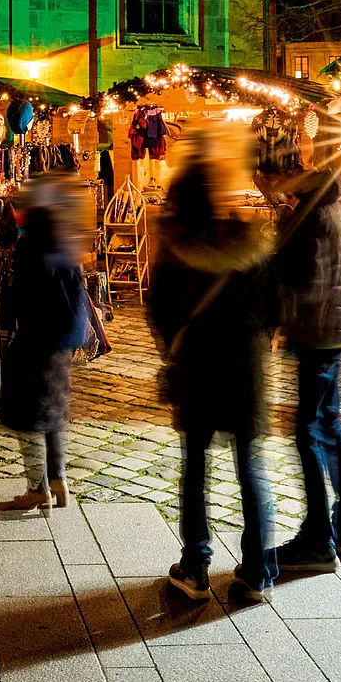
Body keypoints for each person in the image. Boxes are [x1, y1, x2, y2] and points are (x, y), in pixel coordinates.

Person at [144, 124, 277, 602]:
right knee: (250, 467)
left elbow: (157, 310)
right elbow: (273, 311)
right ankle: (257, 570)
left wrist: (172, 353)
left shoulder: (176, 248)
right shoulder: (251, 241)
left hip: (197, 370)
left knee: (196, 467)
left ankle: (196, 567)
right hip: (244, 372)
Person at [271, 154, 341, 570]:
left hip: (316, 335)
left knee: (309, 434)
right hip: (335, 333)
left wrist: (279, 302)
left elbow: (307, 284)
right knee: (330, 427)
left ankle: (317, 539)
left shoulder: (312, 221)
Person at [0, 197, 89, 511]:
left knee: (29, 412)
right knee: (52, 410)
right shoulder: (66, 247)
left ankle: (38, 488)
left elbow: (21, 298)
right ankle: (59, 479)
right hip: (64, 341)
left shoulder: (29, 250)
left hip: (36, 339)